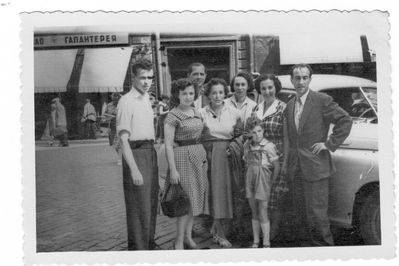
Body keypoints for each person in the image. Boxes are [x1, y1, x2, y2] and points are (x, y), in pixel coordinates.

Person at [284, 64, 352, 246]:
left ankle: (325, 251)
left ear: (309, 80)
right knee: (301, 215)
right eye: (297, 78)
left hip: (316, 167)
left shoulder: (321, 99)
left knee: (317, 215)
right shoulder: (290, 105)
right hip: (296, 168)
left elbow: (345, 120)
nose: (301, 81)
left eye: (304, 77)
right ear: (292, 80)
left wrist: (329, 144)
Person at [116, 58, 159, 250]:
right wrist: (134, 170)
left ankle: (148, 243)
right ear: (133, 78)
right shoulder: (126, 102)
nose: (146, 82)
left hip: (150, 153)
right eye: (142, 78)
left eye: (150, 78)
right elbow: (123, 139)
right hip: (136, 154)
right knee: (138, 206)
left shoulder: (146, 100)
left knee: (150, 203)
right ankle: (138, 249)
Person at [164, 78, 209, 250]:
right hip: (182, 158)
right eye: (184, 94)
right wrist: (173, 170)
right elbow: (168, 145)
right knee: (184, 203)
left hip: (198, 158)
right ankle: (178, 242)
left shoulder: (196, 112)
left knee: (194, 201)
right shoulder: (172, 116)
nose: (188, 97)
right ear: (177, 95)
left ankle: (188, 238)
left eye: (191, 93)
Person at [199, 78, 243, 248]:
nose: (217, 96)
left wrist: (233, 146)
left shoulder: (234, 112)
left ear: (225, 93)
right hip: (209, 156)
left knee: (226, 194)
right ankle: (219, 233)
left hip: (227, 156)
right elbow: (197, 135)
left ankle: (217, 228)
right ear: (208, 95)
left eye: (220, 92)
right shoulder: (201, 113)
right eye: (213, 93)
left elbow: (240, 134)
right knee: (215, 194)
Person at [252, 74, 289, 242]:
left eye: (270, 88)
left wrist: (285, 162)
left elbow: (287, 139)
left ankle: (273, 236)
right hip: (258, 160)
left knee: (274, 198)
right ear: (259, 90)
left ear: (276, 88)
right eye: (263, 88)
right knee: (260, 198)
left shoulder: (283, 108)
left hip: (276, 157)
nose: (267, 91)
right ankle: (262, 235)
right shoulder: (256, 109)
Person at [243, 117, 280, 248]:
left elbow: (276, 166)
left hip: (263, 181)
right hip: (250, 180)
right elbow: (246, 162)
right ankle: (256, 240)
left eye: (259, 131)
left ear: (263, 130)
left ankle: (266, 241)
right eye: (253, 132)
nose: (257, 134)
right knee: (254, 211)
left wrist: (272, 183)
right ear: (249, 133)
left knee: (263, 210)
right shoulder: (247, 146)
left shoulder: (269, 146)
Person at [104, 92, 122, 165]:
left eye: (116, 100)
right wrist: (110, 116)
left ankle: (120, 158)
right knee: (114, 144)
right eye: (113, 100)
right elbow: (105, 114)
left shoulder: (122, 105)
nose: (115, 101)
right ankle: (120, 156)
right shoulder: (109, 105)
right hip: (112, 125)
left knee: (120, 142)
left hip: (121, 125)